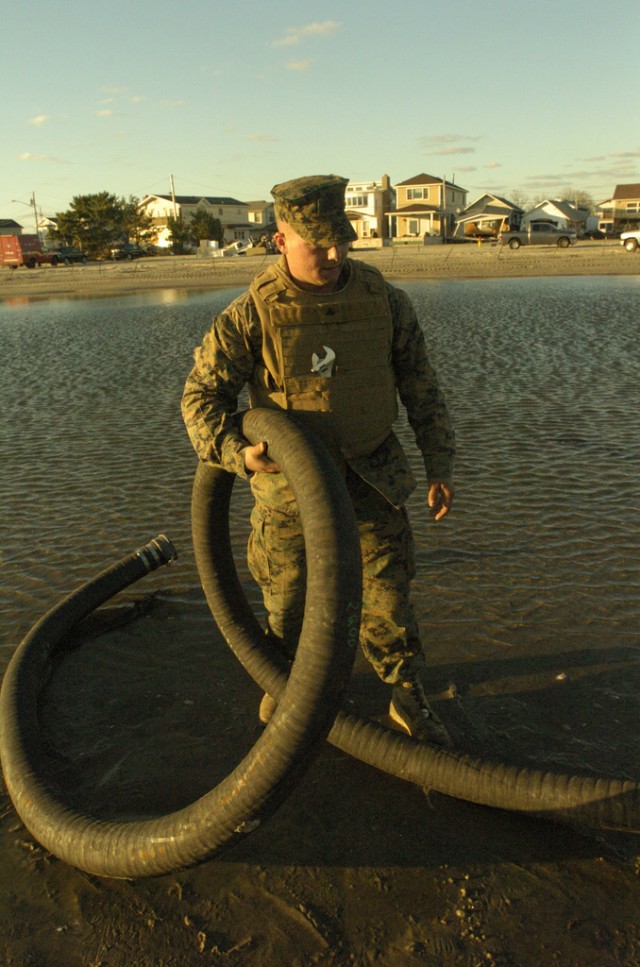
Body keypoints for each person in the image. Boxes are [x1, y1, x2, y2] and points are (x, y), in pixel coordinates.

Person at [182, 174, 456, 747]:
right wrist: (238, 450)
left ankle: (407, 695)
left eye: (342, 241)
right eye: (317, 244)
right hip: (289, 491)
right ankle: (285, 689)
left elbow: (420, 385)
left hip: (372, 477)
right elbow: (201, 398)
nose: (334, 256)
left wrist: (439, 466)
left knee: (388, 599)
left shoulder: (382, 299)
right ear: (281, 240)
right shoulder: (252, 313)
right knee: (288, 602)